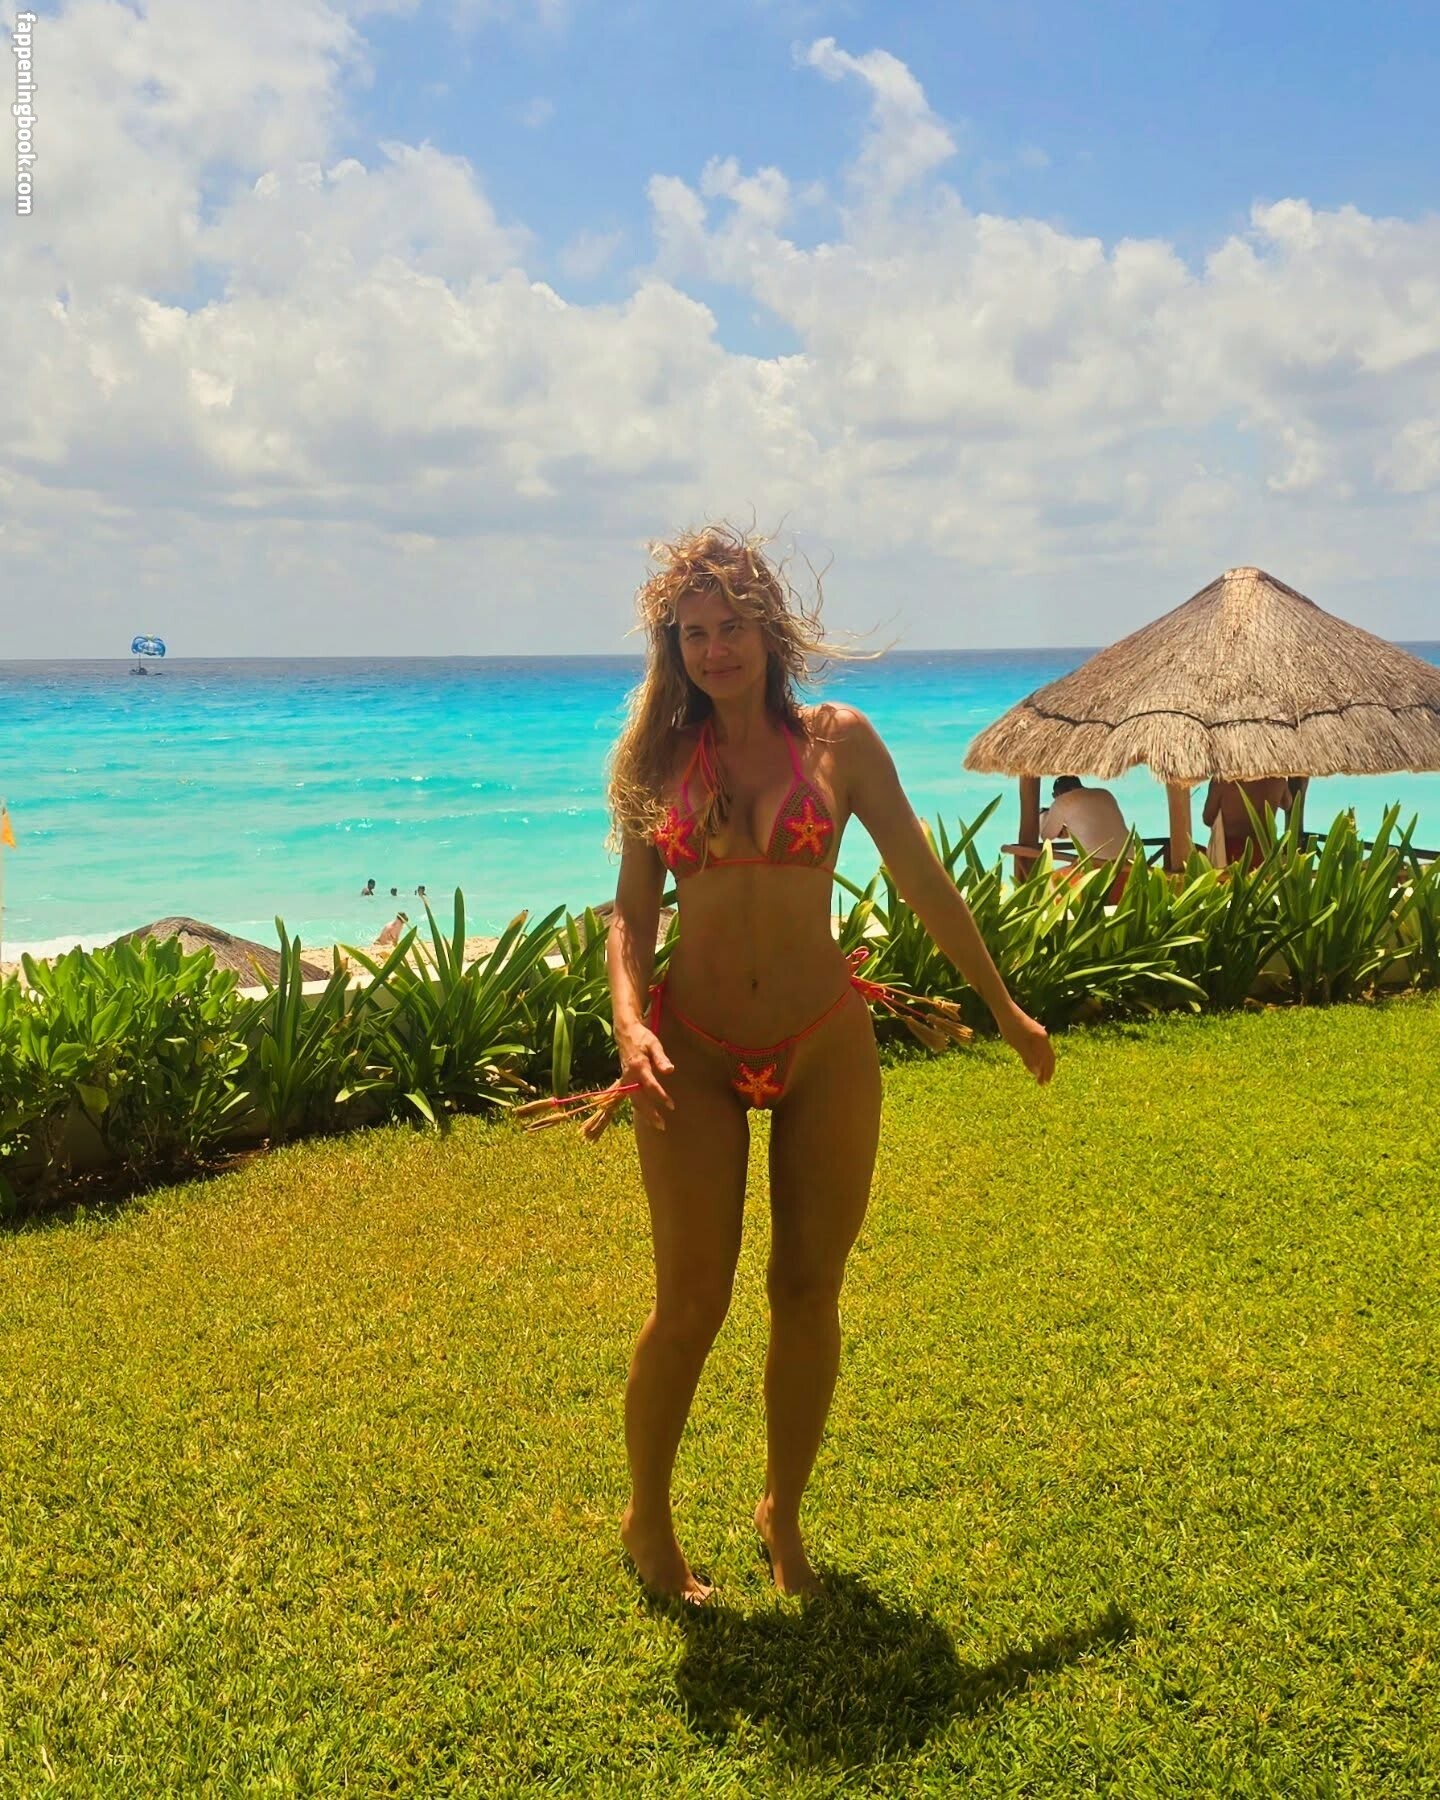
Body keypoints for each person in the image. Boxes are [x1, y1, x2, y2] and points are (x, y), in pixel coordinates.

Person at [599, 524, 1054, 1605]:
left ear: (771, 627)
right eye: (694, 633)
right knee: (690, 1303)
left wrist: (1004, 1007)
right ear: (674, 648)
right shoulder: (659, 760)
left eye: (732, 625)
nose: (716, 649)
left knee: (808, 1292)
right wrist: (629, 1025)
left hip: (822, 1045)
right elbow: (631, 917)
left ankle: (783, 1513)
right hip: (694, 1051)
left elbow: (924, 880)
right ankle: (647, 1518)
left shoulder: (838, 742)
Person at [1038, 777, 1132, 866]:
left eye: (1054, 795)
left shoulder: (1061, 802)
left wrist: (1043, 816)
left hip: (1097, 864)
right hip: (1127, 860)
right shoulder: (1104, 793)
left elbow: (1047, 836)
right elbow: (1096, 828)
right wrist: (1064, 831)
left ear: (1058, 792)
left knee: (1057, 877)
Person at [1202, 776, 1291, 869]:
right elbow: (1287, 804)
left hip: (1232, 854)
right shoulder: (1278, 780)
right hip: (1266, 851)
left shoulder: (1222, 781)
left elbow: (1208, 819)